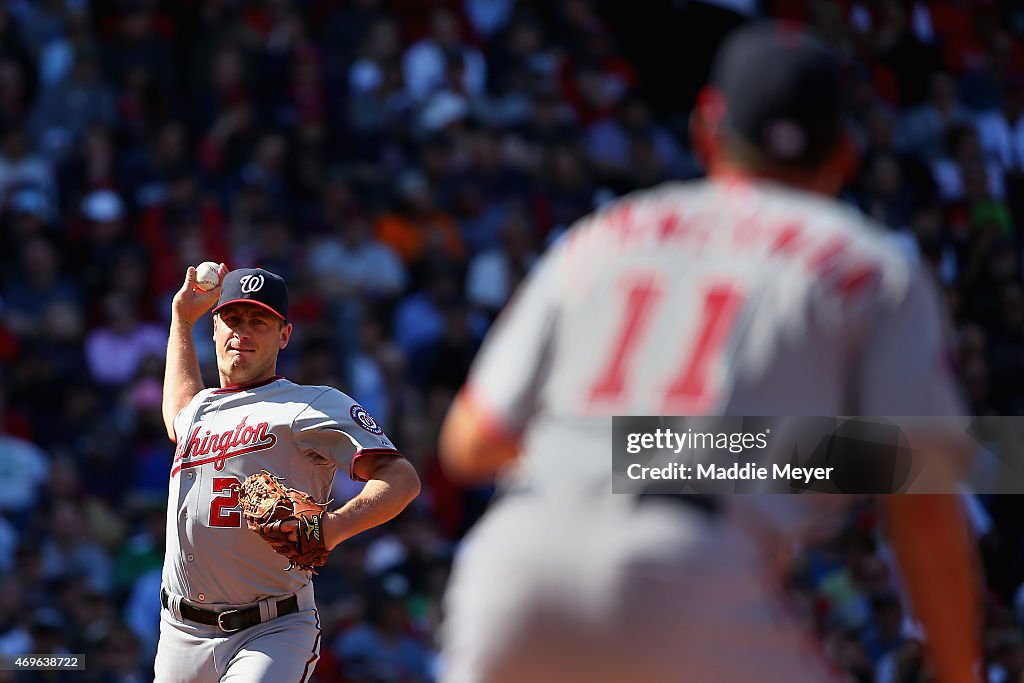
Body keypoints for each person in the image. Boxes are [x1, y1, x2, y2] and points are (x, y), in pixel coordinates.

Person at [439, 23, 982, 683]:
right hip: (691, 566)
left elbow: (470, 443)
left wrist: (616, 447)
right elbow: (922, 495)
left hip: (510, 569)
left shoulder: (606, 232)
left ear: (706, 131)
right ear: (844, 156)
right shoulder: (870, 264)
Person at [156, 265, 420, 683]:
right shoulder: (200, 409)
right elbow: (178, 411)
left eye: (259, 321)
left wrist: (331, 528)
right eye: (233, 319)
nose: (242, 332)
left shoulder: (309, 404)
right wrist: (181, 320)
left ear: (284, 335)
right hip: (180, 631)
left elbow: (401, 477)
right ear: (216, 328)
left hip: (270, 628)